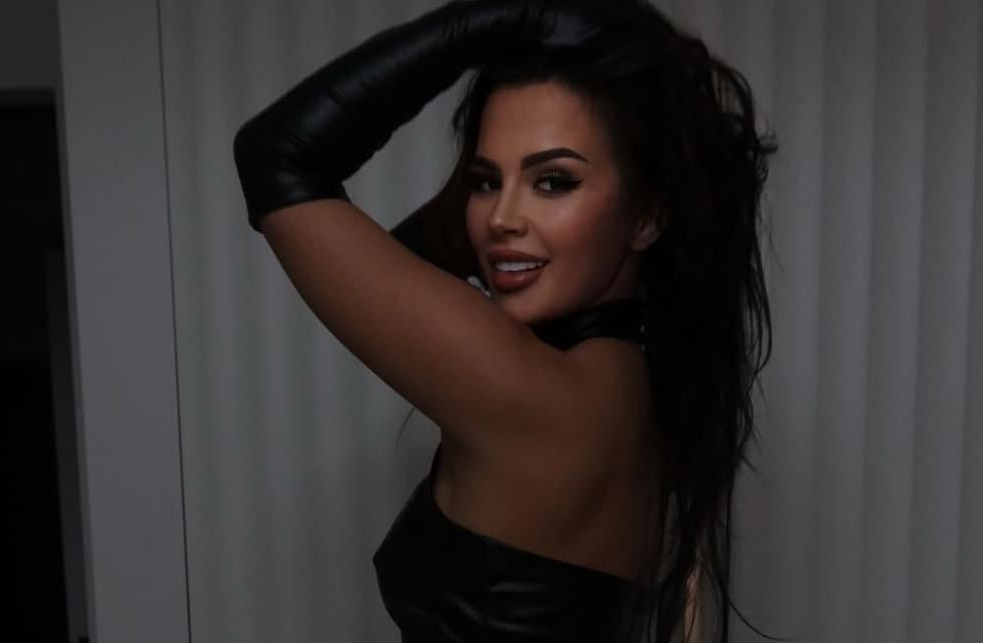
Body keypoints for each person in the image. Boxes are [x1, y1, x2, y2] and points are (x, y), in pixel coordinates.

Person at [233, 1, 774, 641]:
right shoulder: (625, 377)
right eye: (486, 181)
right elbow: (399, 269)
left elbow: (276, 156)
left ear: (646, 216)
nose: (500, 217)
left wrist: (505, 17)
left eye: (554, 182)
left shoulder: (537, 397)